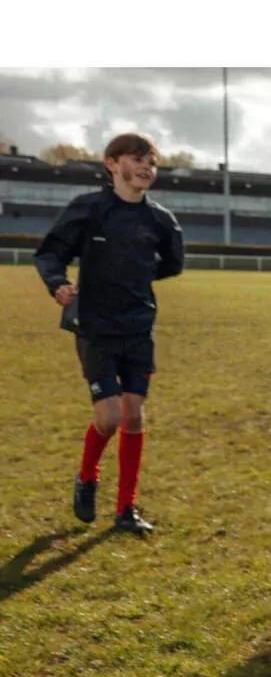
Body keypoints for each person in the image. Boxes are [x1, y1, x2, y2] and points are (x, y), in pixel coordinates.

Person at [34, 132, 185, 534]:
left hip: (138, 327)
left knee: (134, 415)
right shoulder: (89, 209)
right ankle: (87, 477)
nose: (146, 168)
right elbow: (51, 252)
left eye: (151, 162)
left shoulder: (161, 220)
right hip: (95, 328)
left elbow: (172, 263)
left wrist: (133, 275)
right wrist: (58, 283)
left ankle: (126, 510)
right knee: (110, 415)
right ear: (112, 164)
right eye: (136, 160)